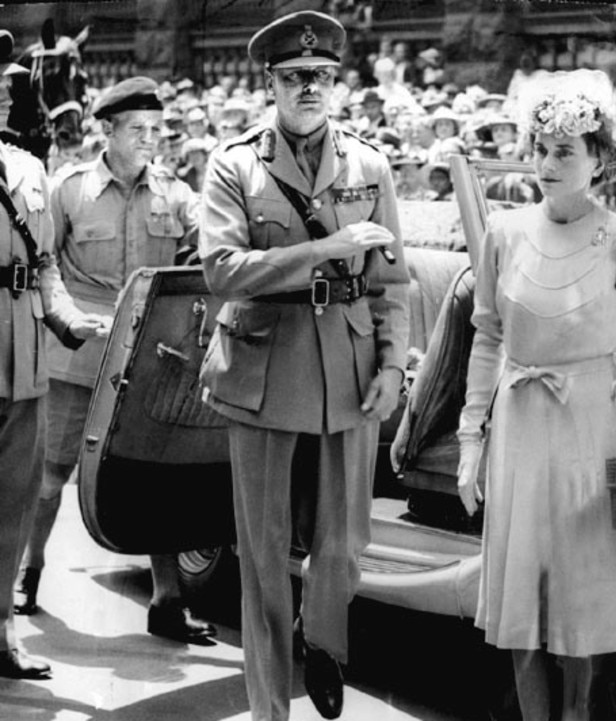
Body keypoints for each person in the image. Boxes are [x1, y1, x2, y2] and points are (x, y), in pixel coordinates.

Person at [197, 11, 410, 719]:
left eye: (321, 77)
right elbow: (222, 270)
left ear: (337, 83)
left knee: (345, 545)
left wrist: (391, 365)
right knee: (262, 565)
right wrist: (323, 249)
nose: (309, 89)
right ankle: (269, 710)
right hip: (263, 373)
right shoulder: (235, 163)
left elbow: (391, 281)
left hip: (346, 374)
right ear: (270, 83)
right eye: (294, 78)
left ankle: (319, 636)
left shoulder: (369, 164)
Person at [454, 68, 616, 721]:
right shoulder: (504, 232)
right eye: (539, 147)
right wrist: (470, 438)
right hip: (518, 420)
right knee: (520, 593)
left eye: (564, 149)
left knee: (581, 591)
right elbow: (486, 337)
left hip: (588, 419)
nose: (546, 162)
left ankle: (576, 713)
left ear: (600, 160)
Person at [13, 76, 215, 644]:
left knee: (157, 475)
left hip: (151, 358)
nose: (152, 139)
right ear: (107, 130)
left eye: (157, 130)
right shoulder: (68, 189)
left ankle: (167, 600)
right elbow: (40, 261)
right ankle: (28, 575)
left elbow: (210, 241)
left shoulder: (175, 193)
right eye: (138, 130)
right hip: (77, 354)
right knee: (50, 472)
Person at [0, 29, 108, 679]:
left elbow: (44, 269)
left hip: (25, 367)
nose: (5, 92)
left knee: (12, 506)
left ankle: (2, 631)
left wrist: (70, 321)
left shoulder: (29, 170)